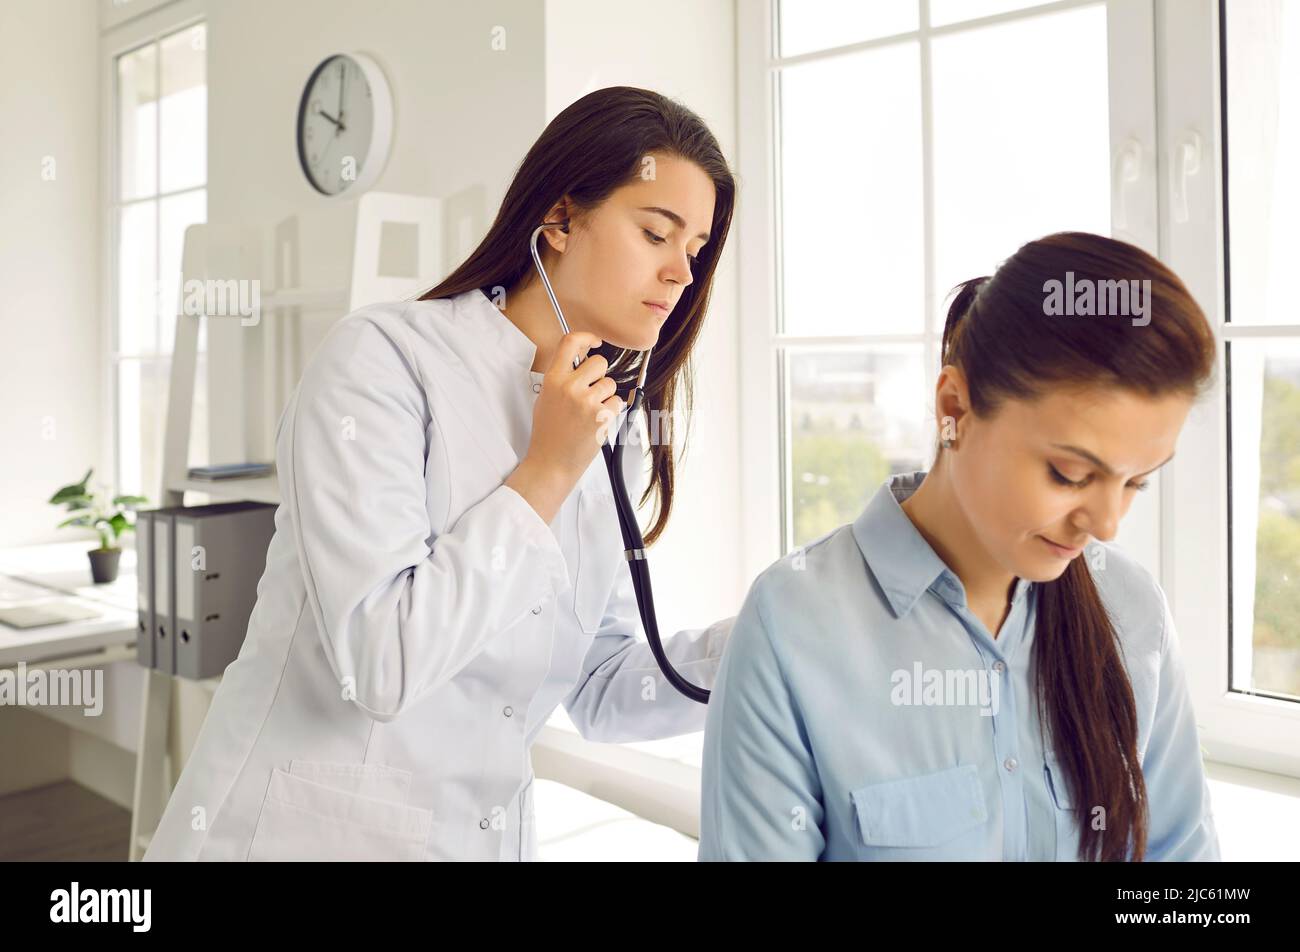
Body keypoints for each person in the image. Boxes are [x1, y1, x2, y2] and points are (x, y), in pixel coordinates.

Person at [145, 86, 736, 862]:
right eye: (657, 233)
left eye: (694, 251)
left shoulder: (604, 420)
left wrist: (776, 639)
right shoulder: (382, 362)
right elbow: (382, 662)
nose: (681, 275)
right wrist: (546, 472)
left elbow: (606, 685)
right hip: (291, 836)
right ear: (559, 219)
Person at [699, 232, 1221, 861]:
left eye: (1135, 481)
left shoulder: (1133, 612)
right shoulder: (792, 625)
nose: (1106, 524)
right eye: (1069, 474)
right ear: (955, 407)